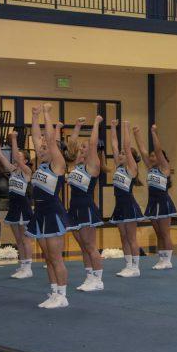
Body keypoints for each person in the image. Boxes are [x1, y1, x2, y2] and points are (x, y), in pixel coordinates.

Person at [27, 104, 75, 308]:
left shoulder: (57, 165)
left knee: (56, 258)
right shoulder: (41, 164)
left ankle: (63, 296)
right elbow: (37, 137)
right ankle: (54, 292)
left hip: (53, 212)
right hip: (40, 214)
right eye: (41, 148)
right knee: (47, 258)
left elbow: (48, 139)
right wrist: (35, 116)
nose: (41, 148)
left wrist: (47, 115)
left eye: (46, 147)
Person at [68, 117, 106, 292]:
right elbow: (71, 144)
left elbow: (92, 143)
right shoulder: (75, 166)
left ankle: (98, 279)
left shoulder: (93, 166)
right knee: (83, 246)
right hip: (74, 208)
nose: (82, 149)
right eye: (81, 148)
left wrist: (96, 123)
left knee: (90, 246)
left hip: (86, 208)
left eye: (85, 147)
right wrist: (77, 126)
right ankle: (89, 277)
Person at [0, 128, 34, 279]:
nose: (16, 158)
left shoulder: (26, 171)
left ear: (26, 160)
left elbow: (14, 154)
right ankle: (22, 265)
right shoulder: (12, 170)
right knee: (18, 239)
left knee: (25, 238)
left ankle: (28, 267)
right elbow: (0, 155)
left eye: (20, 156)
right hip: (14, 207)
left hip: (23, 206)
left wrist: (14, 139)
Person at [132, 124, 177, 270]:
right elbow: (142, 149)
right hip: (153, 203)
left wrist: (153, 133)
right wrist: (136, 133)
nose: (151, 157)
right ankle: (161, 258)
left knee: (165, 233)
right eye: (150, 156)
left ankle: (168, 260)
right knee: (158, 233)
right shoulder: (150, 168)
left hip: (163, 203)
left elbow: (157, 150)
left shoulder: (164, 168)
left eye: (154, 156)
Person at [107, 119, 144, 277]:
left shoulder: (131, 169)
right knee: (123, 237)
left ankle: (135, 267)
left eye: (124, 154)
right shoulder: (118, 166)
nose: (120, 154)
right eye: (120, 154)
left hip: (129, 205)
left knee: (131, 237)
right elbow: (114, 145)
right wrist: (113, 128)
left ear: (130, 158)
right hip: (119, 206)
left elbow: (126, 147)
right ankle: (128, 265)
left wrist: (126, 128)